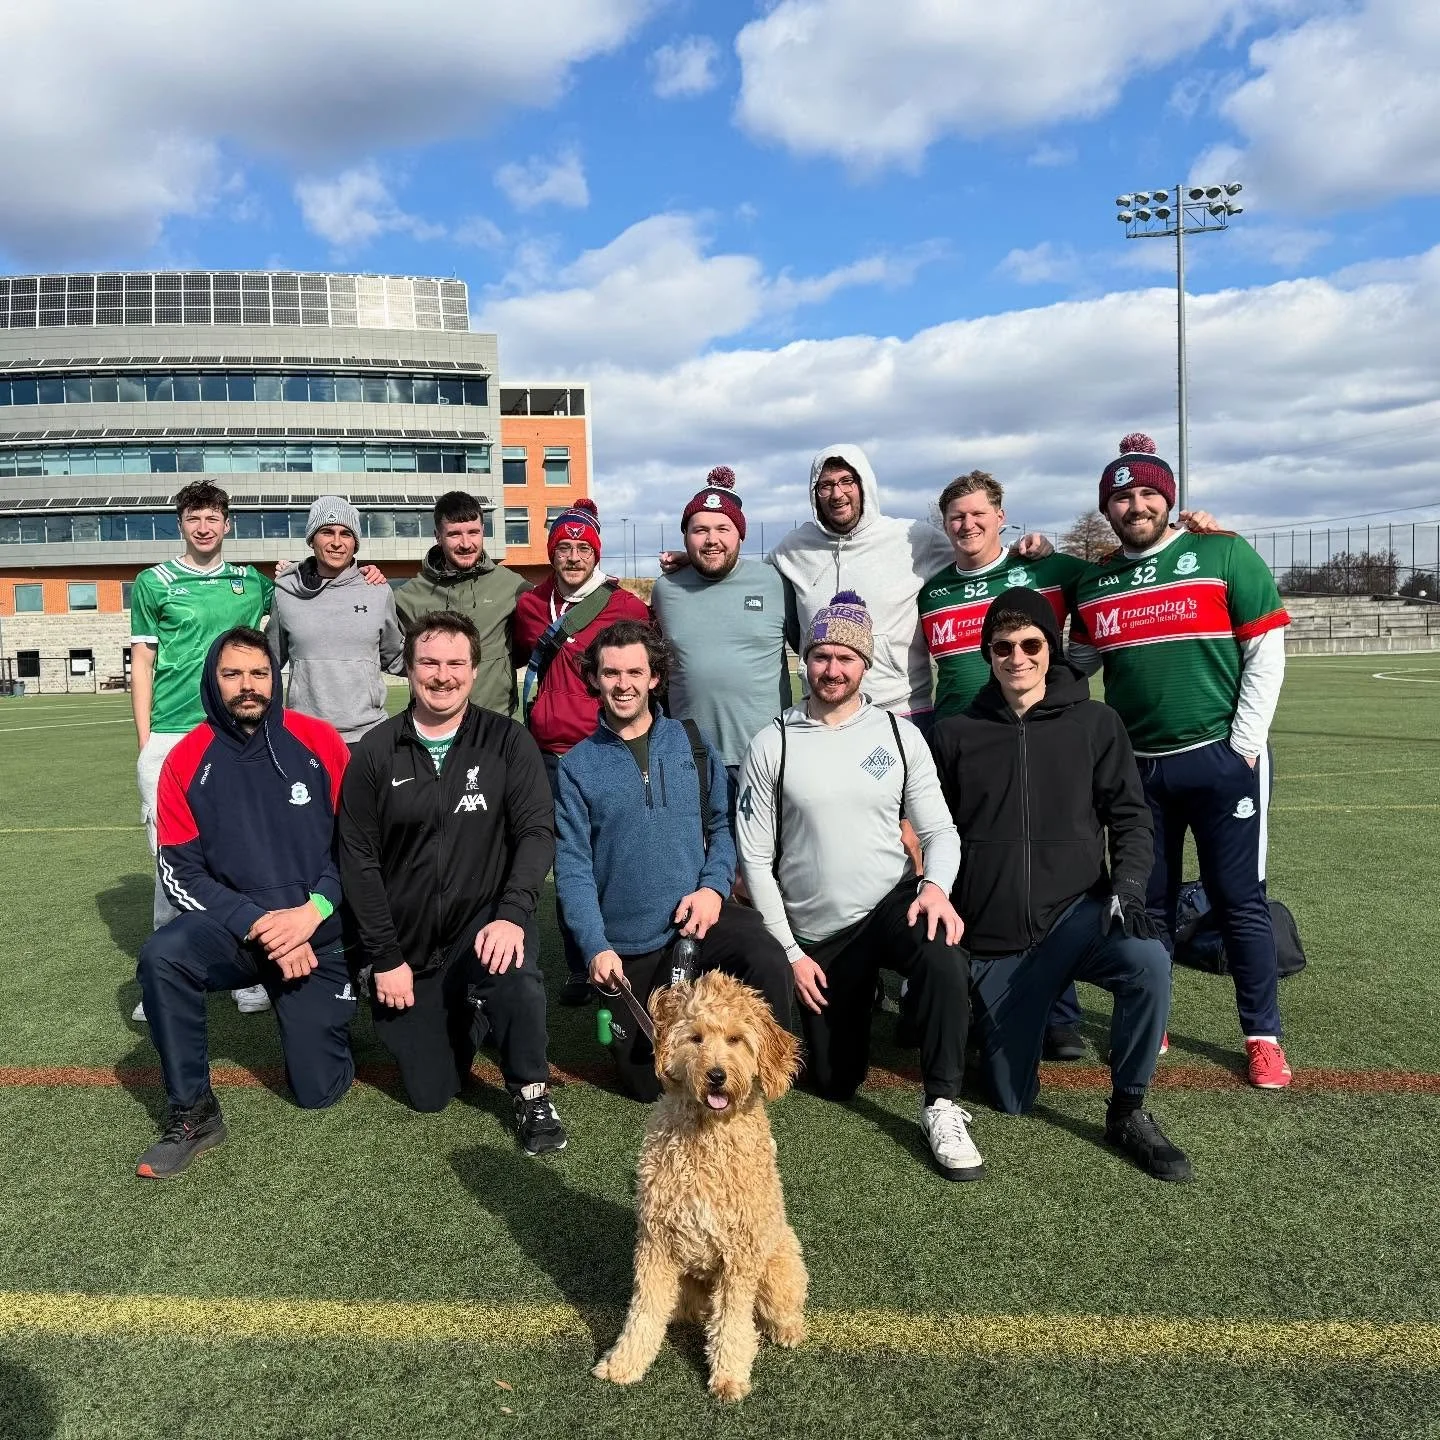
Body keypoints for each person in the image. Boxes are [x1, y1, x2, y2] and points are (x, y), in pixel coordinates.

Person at [930, 590, 1192, 1182]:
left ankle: (1128, 1110)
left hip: (1078, 916)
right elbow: (932, 827)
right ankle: (991, 1024)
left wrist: (1127, 884)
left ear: (1051, 649)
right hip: (996, 939)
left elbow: (1130, 815)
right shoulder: (956, 733)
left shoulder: (1096, 723)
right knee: (1008, 1098)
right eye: (1002, 646)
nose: (1016, 657)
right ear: (987, 652)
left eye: (1031, 644)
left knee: (1148, 961)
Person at [734, 592, 981, 1182]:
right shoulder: (775, 740)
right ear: (805, 660)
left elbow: (940, 830)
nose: (832, 669)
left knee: (944, 956)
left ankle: (942, 1103)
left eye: (846, 657)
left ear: (865, 665)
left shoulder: (898, 735)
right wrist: (791, 954)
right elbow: (755, 860)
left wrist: (937, 888)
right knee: (834, 1080)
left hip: (890, 906)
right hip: (820, 933)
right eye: (821, 656)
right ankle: (864, 999)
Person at [1073, 434, 1293, 1089]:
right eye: (1121, 497)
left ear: (1167, 499)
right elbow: (1078, 665)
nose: (1134, 505)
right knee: (1149, 902)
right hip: (1139, 772)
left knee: (1240, 902)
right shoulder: (1096, 580)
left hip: (1223, 763)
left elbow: (1266, 651)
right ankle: (1152, 1016)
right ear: (1107, 510)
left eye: (1146, 493)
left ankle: (1262, 1036)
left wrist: (1243, 746)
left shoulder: (1221, 551)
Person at [337, 611, 567, 1152]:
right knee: (431, 1092)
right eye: (429, 663)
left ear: (475, 669)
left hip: (485, 921)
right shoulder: (375, 751)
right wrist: (385, 956)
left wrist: (512, 913)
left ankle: (531, 1092)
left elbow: (537, 832)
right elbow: (358, 860)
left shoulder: (508, 741)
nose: (443, 675)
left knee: (512, 973)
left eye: (456, 663)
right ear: (409, 669)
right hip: (408, 939)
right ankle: (465, 1018)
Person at [134, 628, 356, 1178]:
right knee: (164, 956)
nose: (247, 686)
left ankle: (337, 1008)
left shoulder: (320, 741)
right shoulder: (186, 759)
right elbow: (179, 872)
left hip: (318, 933)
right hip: (241, 935)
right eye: (232, 674)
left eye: (258, 673)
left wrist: (312, 915)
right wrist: (261, 925)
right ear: (213, 679)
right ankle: (194, 1113)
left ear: (274, 678)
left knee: (318, 1091)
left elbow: (357, 849)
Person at [554, 620, 794, 1100]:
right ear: (595, 679)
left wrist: (712, 889)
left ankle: (765, 1073)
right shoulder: (575, 765)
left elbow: (723, 826)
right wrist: (595, 947)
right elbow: (574, 869)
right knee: (650, 1083)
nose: (624, 684)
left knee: (767, 957)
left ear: (654, 677)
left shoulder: (692, 742)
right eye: (611, 673)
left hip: (699, 919)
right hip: (629, 944)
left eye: (635, 672)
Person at [766, 445, 1054, 735]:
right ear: (814, 493)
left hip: (902, 713)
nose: (837, 494)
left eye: (846, 481)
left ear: (864, 484)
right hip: (823, 713)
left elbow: (976, 556)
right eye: (825, 485)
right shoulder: (793, 548)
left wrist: (1023, 552)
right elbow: (752, 584)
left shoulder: (913, 538)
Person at [129, 480, 275, 1018]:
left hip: (232, 734)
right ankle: (164, 978)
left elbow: (306, 590)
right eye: (195, 517)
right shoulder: (153, 582)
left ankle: (244, 972)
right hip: (171, 735)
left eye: (213, 517)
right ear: (182, 524)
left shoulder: (251, 583)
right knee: (170, 860)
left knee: (238, 854)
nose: (205, 526)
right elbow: (142, 664)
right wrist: (148, 741)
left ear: (227, 523)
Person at [512, 499, 650, 1004]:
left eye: (582, 548)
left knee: (612, 855)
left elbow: (652, 669)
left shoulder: (627, 607)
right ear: (552, 552)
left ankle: (627, 951)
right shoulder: (529, 605)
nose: (573, 557)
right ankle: (579, 965)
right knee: (567, 860)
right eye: (564, 547)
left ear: (596, 554)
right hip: (548, 754)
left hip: (605, 747)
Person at [649, 467, 791, 802]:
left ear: (740, 534)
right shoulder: (665, 590)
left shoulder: (774, 582)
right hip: (691, 757)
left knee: (769, 854)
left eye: (722, 528)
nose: (712, 539)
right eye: (700, 530)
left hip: (766, 755)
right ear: (686, 537)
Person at [269, 495, 404, 745]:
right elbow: (269, 663)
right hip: (303, 737)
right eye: (327, 532)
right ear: (311, 539)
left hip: (369, 736)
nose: (336, 543)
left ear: (355, 543)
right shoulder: (284, 592)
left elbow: (395, 657)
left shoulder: (377, 590)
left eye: (346, 534)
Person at [395, 490, 531, 716]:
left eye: (473, 532)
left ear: (483, 532)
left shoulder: (513, 586)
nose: (466, 543)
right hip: (432, 723)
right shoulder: (408, 596)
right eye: (454, 534)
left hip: (496, 720)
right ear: (438, 536)